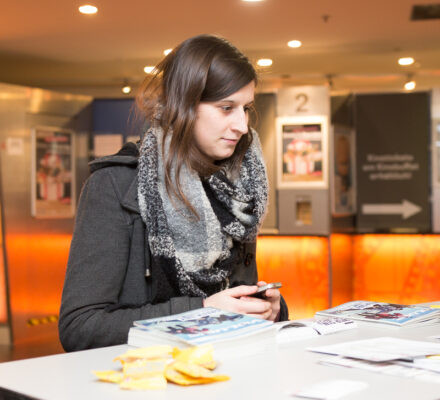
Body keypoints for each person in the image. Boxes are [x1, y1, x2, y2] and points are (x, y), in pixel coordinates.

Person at [58, 34, 289, 352]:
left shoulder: (236, 189)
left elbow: (235, 295)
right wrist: (205, 312)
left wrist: (269, 308)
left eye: (246, 108)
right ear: (185, 106)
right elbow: (80, 328)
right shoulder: (114, 185)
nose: (241, 124)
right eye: (226, 108)